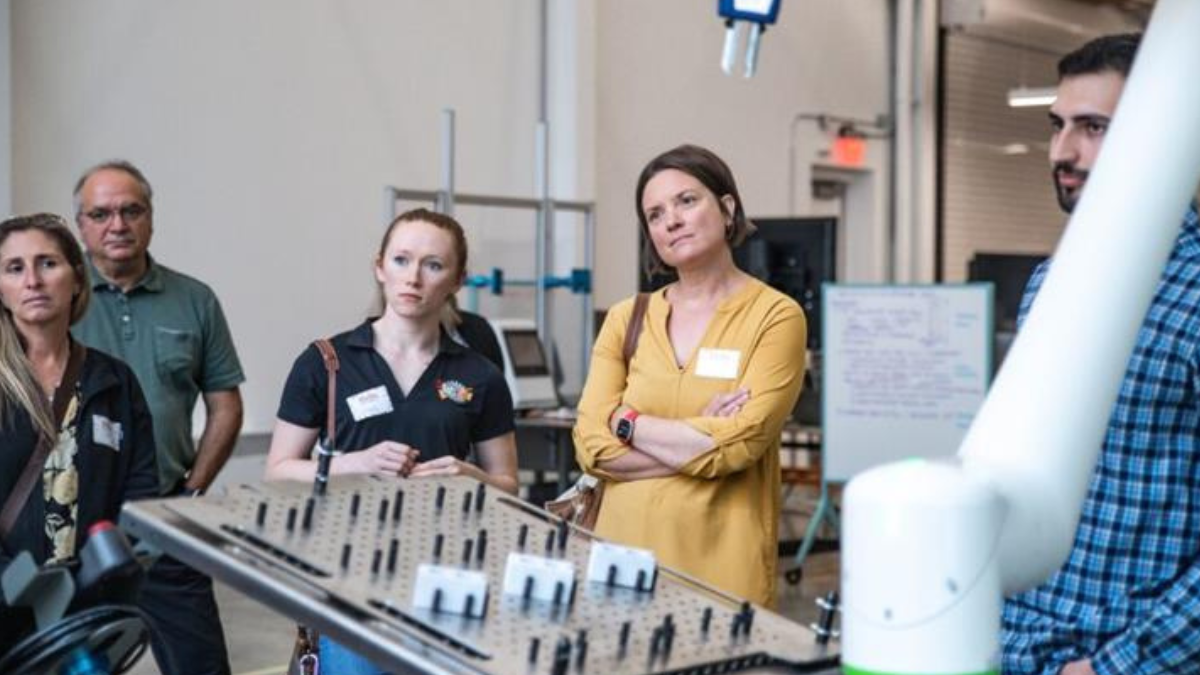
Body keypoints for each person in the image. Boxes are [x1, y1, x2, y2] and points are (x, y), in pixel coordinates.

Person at [1001, 33, 1200, 675]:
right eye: (1058, 126)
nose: (1063, 152)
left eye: (1093, 128)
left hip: (1119, 656)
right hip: (1013, 642)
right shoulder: (1047, 283)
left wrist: (1117, 665)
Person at [266, 207, 518, 674]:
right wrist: (354, 463)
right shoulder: (326, 362)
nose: (414, 278)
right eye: (402, 260)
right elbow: (279, 471)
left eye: (434, 265)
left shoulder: (479, 376)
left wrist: (469, 477)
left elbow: (508, 486)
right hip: (349, 580)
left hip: (448, 581)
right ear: (380, 266)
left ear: (458, 279)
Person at [573, 144, 807, 607]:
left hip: (721, 571)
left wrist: (628, 423)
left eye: (686, 201)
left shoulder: (776, 317)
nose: (671, 221)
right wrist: (698, 435)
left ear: (726, 208)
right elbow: (588, 446)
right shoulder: (627, 318)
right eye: (655, 214)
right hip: (619, 563)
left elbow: (738, 446)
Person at [71, 160, 244, 675]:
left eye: (131, 210)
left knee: (200, 664)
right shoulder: (57, 297)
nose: (116, 225)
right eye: (100, 214)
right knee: (76, 665)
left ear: (151, 218)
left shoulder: (194, 300)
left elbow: (225, 403)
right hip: (75, 524)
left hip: (166, 520)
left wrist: (194, 487)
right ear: (80, 225)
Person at [0, 213, 157, 568]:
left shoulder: (114, 380)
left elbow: (140, 493)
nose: (32, 281)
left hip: (89, 599)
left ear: (75, 279)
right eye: (14, 268)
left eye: (48, 263)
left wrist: (107, 571)